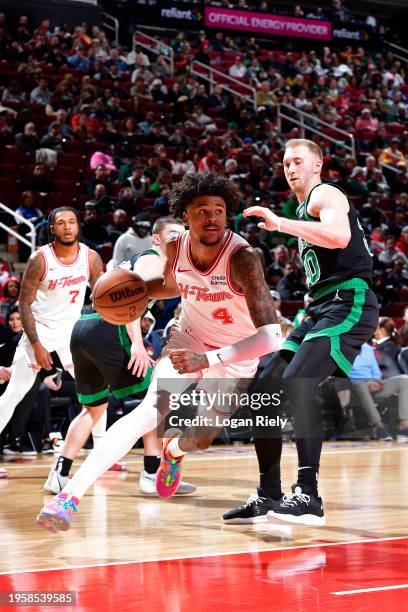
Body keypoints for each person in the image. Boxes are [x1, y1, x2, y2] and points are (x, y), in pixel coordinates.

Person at [37, 172, 282, 531]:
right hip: (190, 340)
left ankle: (173, 453)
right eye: (203, 210)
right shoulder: (176, 247)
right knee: (145, 416)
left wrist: (209, 360)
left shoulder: (243, 258)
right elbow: (170, 285)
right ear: (186, 215)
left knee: (200, 437)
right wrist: (129, 293)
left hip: (235, 355)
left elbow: (272, 338)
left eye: (219, 210)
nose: (212, 217)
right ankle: (69, 497)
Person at [224, 138, 378, 526]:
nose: (289, 168)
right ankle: (269, 493)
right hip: (320, 307)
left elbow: (340, 237)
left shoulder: (325, 194)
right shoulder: (303, 207)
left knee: (297, 381)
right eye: (285, 162)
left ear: (317, 166)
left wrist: (279, 223)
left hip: (349, 301)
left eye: (297, 161)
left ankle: (308, 494)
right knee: (264, 386)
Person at [43, 217, 195, 496]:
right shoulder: (153, 260)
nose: (179, 239)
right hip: (112, 331)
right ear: (156, 240)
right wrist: (137, 343)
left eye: (183, 235)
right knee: (157, 399)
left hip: (84, 327)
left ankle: (60, 474)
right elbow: (130, 298)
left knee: (94, 409)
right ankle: (151, 473)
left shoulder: (150, 263)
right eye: (172, 234)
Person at [0, 207, 104, 479]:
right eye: (61, 223)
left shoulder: (90, 258)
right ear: (52, 228)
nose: (68, 226)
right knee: (15, 392)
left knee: (95, 389)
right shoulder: (39, 259)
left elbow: (102, 295)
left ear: (78, 226)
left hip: (72, 331)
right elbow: (23, 304)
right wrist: (36, 344)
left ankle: (104, 453)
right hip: (42, 329)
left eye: (72, 221)